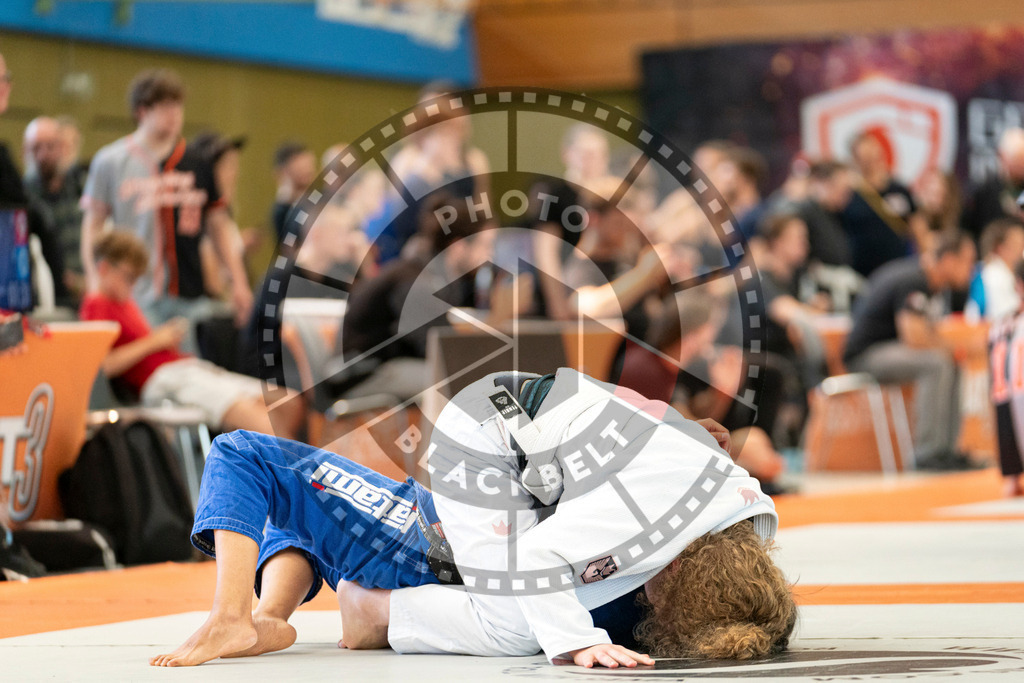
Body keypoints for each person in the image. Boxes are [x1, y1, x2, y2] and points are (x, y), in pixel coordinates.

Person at [150, 368, 795, 668]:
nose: (649, 595)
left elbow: (746, 583)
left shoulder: (741, 507)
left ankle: (270, 619)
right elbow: (538, 561)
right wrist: (574, 642)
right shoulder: (636, 523)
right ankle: (241, 618)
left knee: (310, 507)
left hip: (535, 454)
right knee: (241, 453)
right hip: (485, 447)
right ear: (680, 556)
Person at [80, 69, 253, 352]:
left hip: (189, 291)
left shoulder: (198, 162)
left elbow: (218, 224)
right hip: (136, 291)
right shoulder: (111, 161)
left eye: (178, 106)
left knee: (191, 370)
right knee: (154, 372)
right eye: (164, 107)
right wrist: (93, 277)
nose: (174, 114)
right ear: (142, 111)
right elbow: (92, 225)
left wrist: (239, 281)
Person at [79, 230, 304, 439]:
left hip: (184, 369)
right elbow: (101, 367)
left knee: (288, 403)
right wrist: (154, 341)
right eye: (128, 277)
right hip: (163, 380)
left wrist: (160, 340)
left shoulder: (125, 303)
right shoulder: (97, 304)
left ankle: (281, 472)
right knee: (253, 415)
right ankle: (286, 475)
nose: (132, 285)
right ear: (104, 268)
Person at [843, 231, 979, 469]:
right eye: (967, 262)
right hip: (866, 355)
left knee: (951, 360)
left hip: (889, 349)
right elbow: (914, 337)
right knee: (936, 363)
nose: (971, 270)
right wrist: (955, 348)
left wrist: (954, 350)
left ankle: (948, 451)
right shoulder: (915, 279)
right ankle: (928, 453)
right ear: (948, 260)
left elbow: (927, 334)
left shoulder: (932, 284)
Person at [23, 116, 86, 306]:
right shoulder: (22, 198)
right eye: (36, 148)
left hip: (85, 292)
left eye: (50, 146)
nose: (43, 155)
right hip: (44, 296)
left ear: (62, 148)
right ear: (25, 151)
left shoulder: (80, 188)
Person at [842, 129, 917, 277]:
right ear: (856, 160)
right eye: (866, 157)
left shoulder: (899, 189)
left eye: (874, 153)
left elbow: (916, 226)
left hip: (899, 268)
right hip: (862, 272)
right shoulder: (849, 194)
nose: (872, 160)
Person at [963, 128, 1024, 241]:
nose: (1021, 167)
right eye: (1017, 160)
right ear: (1003, 156)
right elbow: (970, 231)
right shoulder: (984, 193)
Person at [270, 141, 317, 246]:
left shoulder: (319, 198)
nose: (308, 169)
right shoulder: (282, 210)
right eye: (301, 167)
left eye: (309, 165)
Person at [977, 218, 1024, 321]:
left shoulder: (1008, 273)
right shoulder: (994, 274)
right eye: (1017, 244)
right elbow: (1004, 314)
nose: (1021, 250)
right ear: (1000, 247)